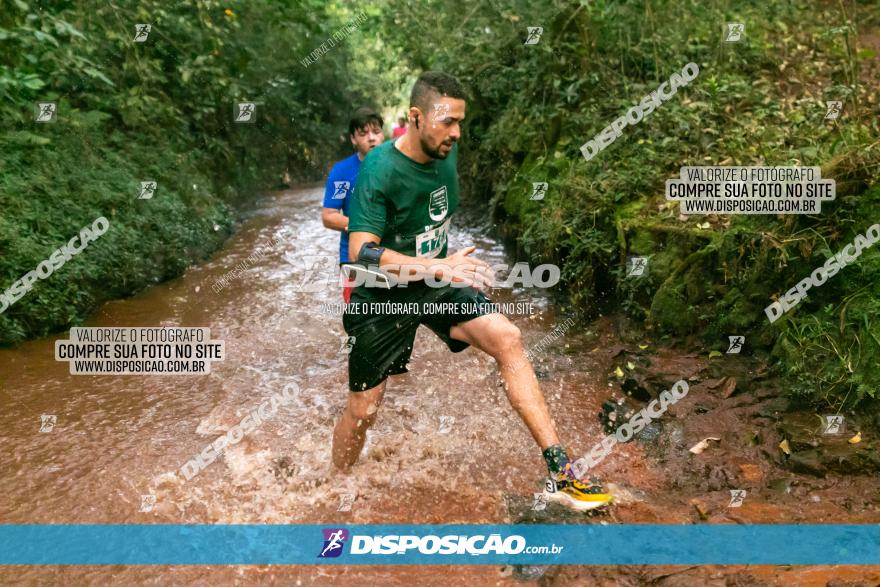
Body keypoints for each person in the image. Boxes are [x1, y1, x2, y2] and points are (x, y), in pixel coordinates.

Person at [330, 71, 613, 511]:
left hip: (437, 282)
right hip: (381, 292)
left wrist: (442, 266)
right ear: (416, 117)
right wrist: (437, 265)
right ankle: (336, 482)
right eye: (447, 122)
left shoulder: (446, 154)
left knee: (508, 338)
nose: (457, 133)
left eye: (461, 122)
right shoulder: (378, 170)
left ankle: (561, 471)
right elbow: (361, 253)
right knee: (364, 409)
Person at [321, 107, 385, 303]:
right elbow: (330, 216)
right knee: (359, 315)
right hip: (354, 257)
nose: (371, 138)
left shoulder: (398, 166)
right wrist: (363, 228)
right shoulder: (343, 173)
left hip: (395, 255)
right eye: (363, 134)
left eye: (376, 132)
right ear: (353, 139)